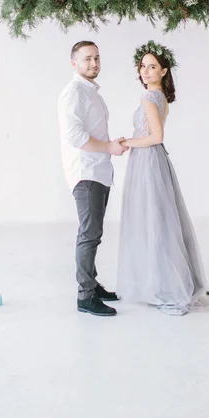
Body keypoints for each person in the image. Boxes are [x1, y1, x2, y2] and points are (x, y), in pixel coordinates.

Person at [116, 40, 207, 315]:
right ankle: (164, 280)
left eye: (152, 66)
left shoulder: (149, 97)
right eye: (142, 66)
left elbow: (156, 136)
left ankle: (165, 285)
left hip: (148, 160)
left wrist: (126, 142)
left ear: (164, 71)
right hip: (151, 160)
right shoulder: (159, 97)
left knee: (153, 221)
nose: (145, 71)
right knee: (159, 220)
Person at [58, 41, 128, 317]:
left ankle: (92, 284)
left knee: (94, 233)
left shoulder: (90, 92)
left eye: (97, 58)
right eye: (87, 59)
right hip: (85, 172)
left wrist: (110, 147)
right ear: (74, 63)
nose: (94, 64)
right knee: (89, 234)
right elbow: (74, 136)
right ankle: (85, 296)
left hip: (98, 170)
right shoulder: (73, 92)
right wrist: (109, 147)